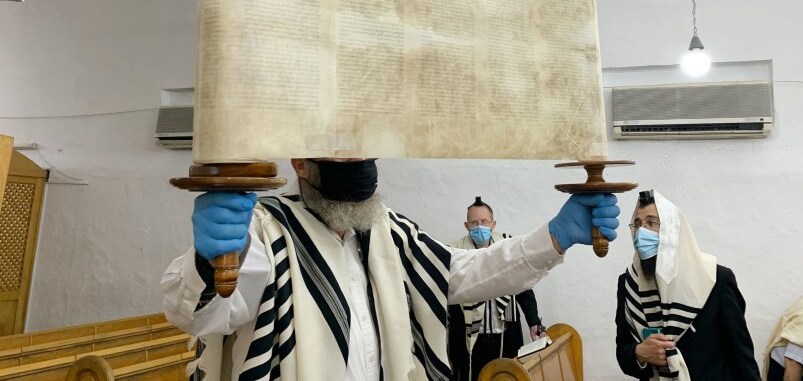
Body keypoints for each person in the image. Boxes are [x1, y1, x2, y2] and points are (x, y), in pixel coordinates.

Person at [162, 158, 620, 381]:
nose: (359, 164)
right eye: (343, 151)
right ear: (302, 162)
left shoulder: (385, 229)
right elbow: (205, 314)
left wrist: (553, 238)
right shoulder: (264, 230)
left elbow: (462, 274)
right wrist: (214, 257)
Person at [614, 189, 761, 380]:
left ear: (672, 229)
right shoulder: (628, 283)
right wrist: (639, 353)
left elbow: (742, 355)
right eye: (637, 224)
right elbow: (623, 351)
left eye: (651, 223)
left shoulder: (715, 279)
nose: (642, 232)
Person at [447, 196, 547, 381]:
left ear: (493, 224)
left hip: (505, 335)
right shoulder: (455, 252)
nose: (479, 226)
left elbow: (523, 287)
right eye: (474, 222)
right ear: (466, 225)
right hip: (469, 339)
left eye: (484, 221)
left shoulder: (507, 247)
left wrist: (534, 322)